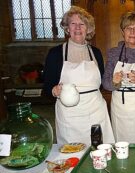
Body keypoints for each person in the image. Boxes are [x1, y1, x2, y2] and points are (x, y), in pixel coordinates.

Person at [43, 6, 115, 145]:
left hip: (96, 111)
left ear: (88, 29)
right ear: (67, 28)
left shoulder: (96, 53)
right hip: (69, 115)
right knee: (71, 155)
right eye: (73, 23)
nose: (77, 27)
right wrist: (54, 90)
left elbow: (99, 84)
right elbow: (46, 87)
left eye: (82, 24)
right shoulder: (55, 54)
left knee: (100, 150)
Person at [102, 11, 135, 144]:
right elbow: (105, 84)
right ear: (123, 31)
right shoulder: (114, 53)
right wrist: (114, 82)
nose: (132, 32)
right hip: (120, 110)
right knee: (122, 146)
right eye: (128, 28)